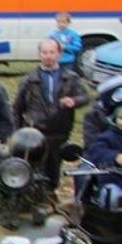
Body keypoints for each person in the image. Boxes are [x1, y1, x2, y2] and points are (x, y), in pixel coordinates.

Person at [12, 37, 90, 187]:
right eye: (45, 52)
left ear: (59, 54)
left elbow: (85, 96)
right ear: (39, 54)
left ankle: (51, 194)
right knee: (33, 169)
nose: (48, 56)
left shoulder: (70, 78)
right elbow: (17, 108)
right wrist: (17, 132)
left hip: (59, 131)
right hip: (35, 131)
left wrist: (73, 101)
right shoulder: (29, 80)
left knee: (53, 169)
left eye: (52, 52)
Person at [85, 103, 122, 210]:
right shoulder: (107, 137)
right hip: (113, 178)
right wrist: (115, 157)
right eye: (121, 118)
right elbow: (96, 152)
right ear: (115, 119)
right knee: (112, 196)